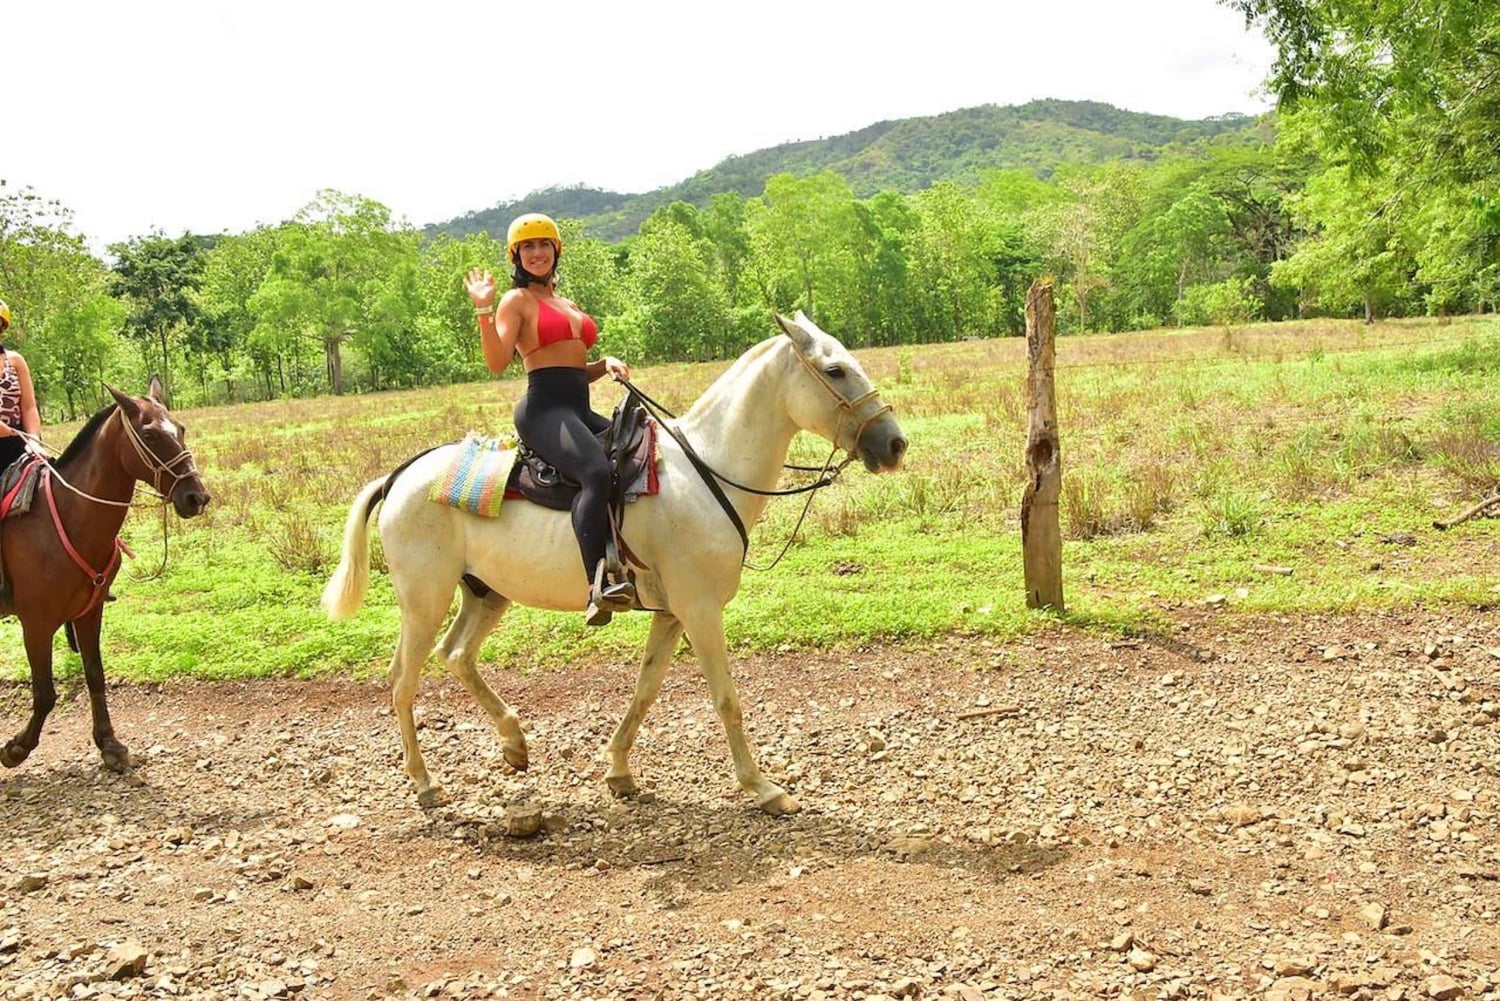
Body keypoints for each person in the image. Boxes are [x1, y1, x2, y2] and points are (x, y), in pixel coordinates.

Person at [464, 214, 636, 626]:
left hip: (577, 405)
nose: (537, 253)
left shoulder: (566, 303)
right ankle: (597, 584)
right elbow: (497, 361)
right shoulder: (516, 301)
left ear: (556, 250)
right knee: (595, 472)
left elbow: (574, 367)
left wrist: (604, 363)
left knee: (640, 450)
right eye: (528, 247)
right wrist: (484, 309)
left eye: (544, 245)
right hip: (544, 410)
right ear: (517, 256)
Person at [0, 299, 42, 609]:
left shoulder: (16, 361)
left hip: (20, 445)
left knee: (62, 489)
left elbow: (28, 406)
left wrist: (35, 441)